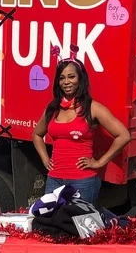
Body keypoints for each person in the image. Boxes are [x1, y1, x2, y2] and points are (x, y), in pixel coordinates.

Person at [32, 50, 130, 205]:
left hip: (82, 181)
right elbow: (37, 135)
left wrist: (99, 163)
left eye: (71, 76)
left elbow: (124, 135)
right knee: (50, 223)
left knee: (80, 225)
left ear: (80, 79)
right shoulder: (53, 108)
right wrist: (45, 159)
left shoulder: (93, 108)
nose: (66, 82)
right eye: (62, 78)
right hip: (54, 179)